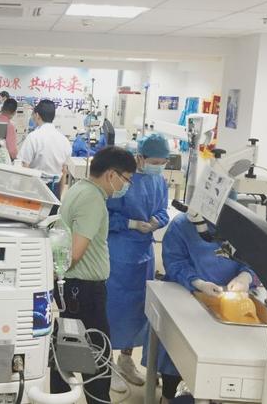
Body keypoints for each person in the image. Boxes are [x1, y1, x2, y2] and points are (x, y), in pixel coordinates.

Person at [51, 146, 137, 404]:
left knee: (66, 350)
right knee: (98, 357)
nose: (125, 186)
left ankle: (59, 398)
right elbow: (76, 252)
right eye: (126, 179)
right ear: (111, 175)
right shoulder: (92, 200)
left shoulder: (78, 188)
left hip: (73, 287)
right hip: (84, 290)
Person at [144, 213, 255, 403]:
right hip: (186, 297)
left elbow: (253, 258)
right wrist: (198, 282)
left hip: (228, 303)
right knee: (177, 358)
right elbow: (175, 262)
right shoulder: (181, 225)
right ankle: (169, 395)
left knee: (218, 369)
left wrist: (245, 276)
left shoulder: (240, 226)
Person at [105, 134, 171, 393]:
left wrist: (156, 221)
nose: (159, 167)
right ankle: (106, 363)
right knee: (114, 310)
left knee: (138, 310)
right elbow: (105, 215)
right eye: (154, 162)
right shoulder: (123, 180)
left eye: (163, 163)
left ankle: (126, 359)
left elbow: (163, 211)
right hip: (119, 253)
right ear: (140, 158)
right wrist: (131, 223)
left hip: (144, 254)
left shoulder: (159, 181)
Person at [16, 100, 71, 196]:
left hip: (35, 189)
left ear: (37, 115)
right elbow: (64, 170)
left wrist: (22, 194)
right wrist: (59, 197)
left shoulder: (33, 137)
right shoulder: (64, 140)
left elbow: (25, 168)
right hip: (55, 188)